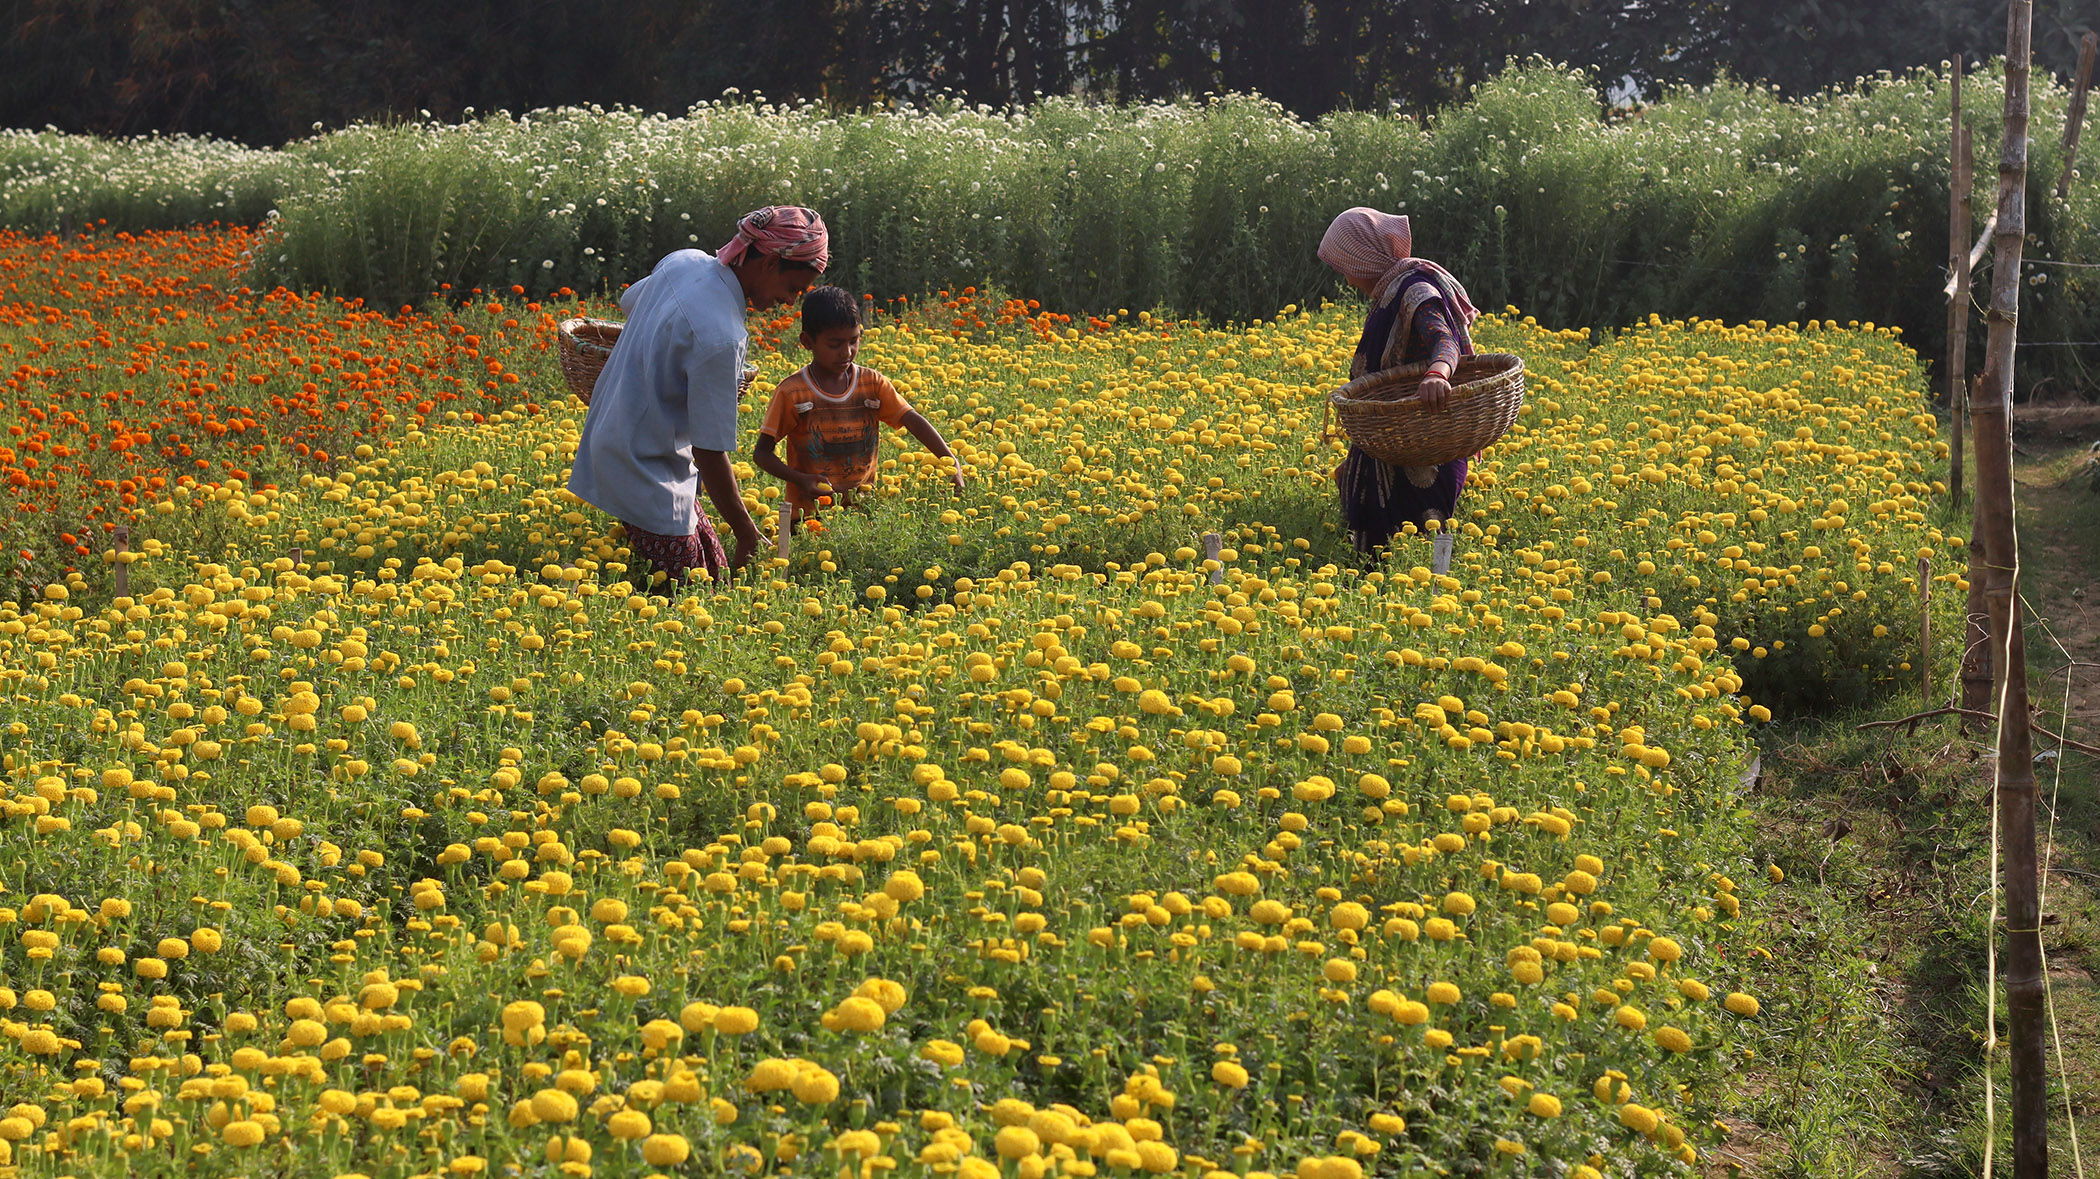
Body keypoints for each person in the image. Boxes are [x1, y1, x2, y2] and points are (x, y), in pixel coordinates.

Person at [567, 206, 827, 588]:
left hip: (623, 438)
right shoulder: (721, 337)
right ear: (770, 263)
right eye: (793, 289)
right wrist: (745, 531)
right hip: (642, 466)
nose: (790, 303)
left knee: (713, 569)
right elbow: (708, 451)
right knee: (691, 591)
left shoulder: (685, 262)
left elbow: (630, 301)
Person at [1317, 207, 1481, 561]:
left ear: (1366, 257)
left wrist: (1438, 374)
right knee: (1377, 553)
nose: (1346, 279)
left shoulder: (1414, 290)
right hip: (1395, 435)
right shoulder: (1391, 289)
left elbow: (1445, 342)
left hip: (1424, 437)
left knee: (1422, 550)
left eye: (1346, 266)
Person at [753, 285, 965, 532]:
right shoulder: (792, 392)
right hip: (809, 517)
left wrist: (950, 461)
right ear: (807, 341)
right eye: (834, 344)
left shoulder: (872, 384)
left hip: (862, 515)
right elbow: (762, 454)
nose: (847, 352)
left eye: (854, 341)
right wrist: (801, 480)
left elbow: (912, 419)